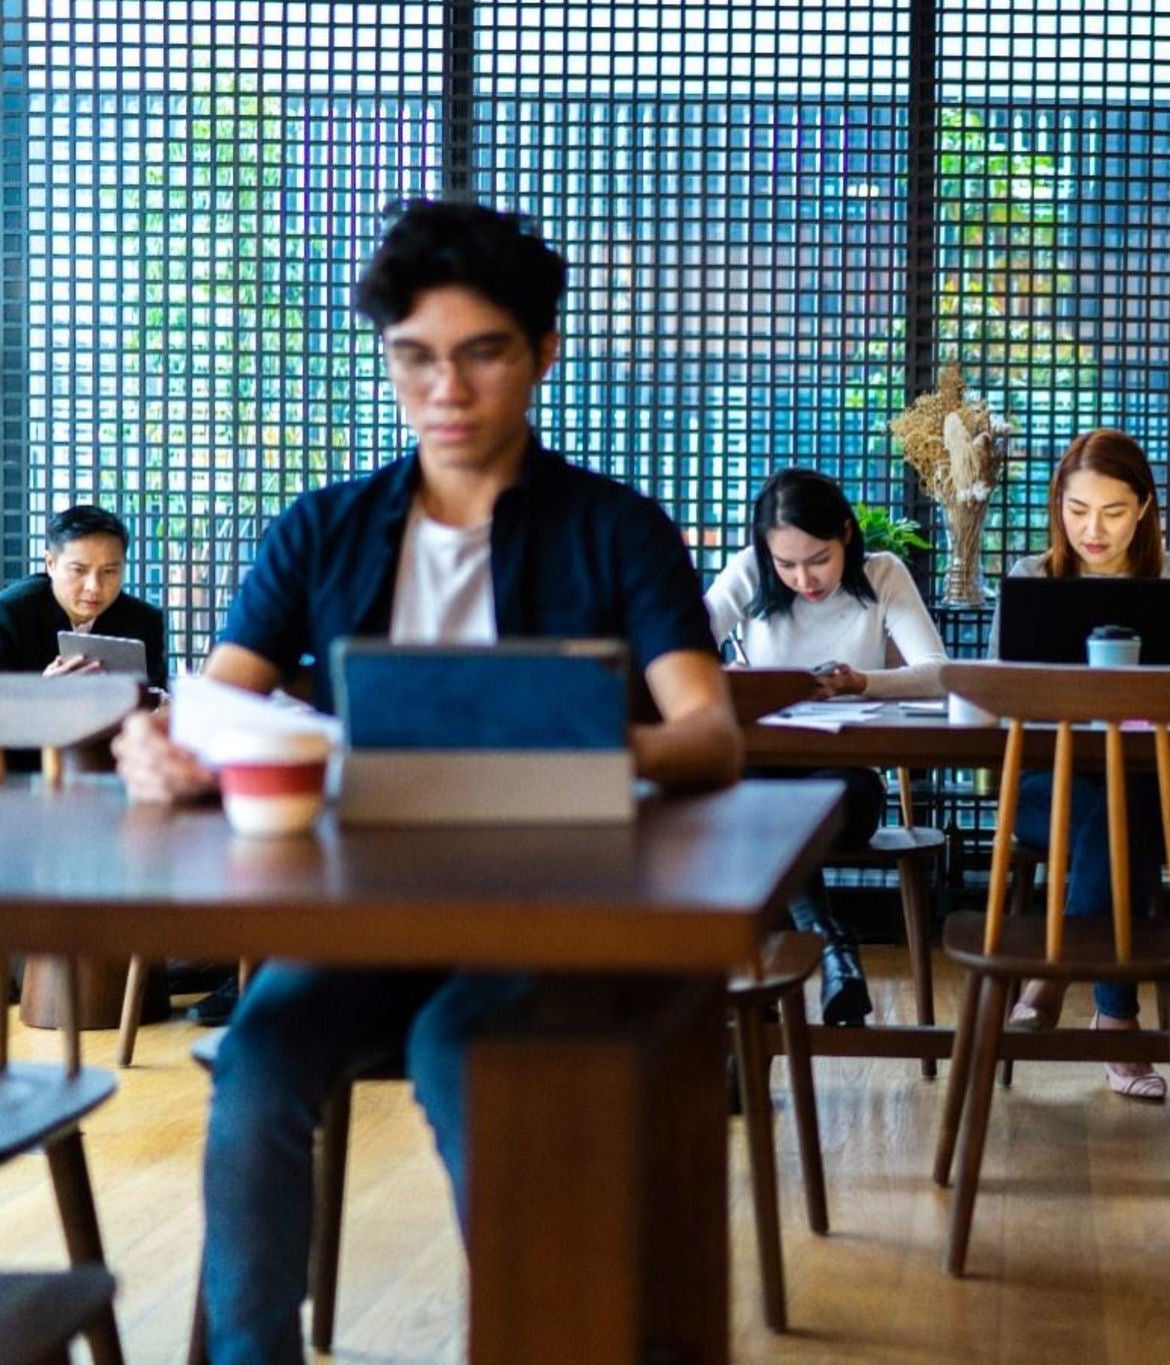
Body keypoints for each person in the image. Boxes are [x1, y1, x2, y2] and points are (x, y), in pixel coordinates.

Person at [111, 199, 743, 1363]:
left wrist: (584, 750)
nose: (443, 389)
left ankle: (530, 1337)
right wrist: (168, 747)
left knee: (466, 1050)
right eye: (413, 358)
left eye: (480, 354)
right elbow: (221, 703)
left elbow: (710, 736)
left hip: (543, 912)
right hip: (354, 913)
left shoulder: (615, 529)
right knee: (256, 1061)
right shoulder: (324, 529)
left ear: (542, 352)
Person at [1002, 428, 1170, 1102]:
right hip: (1047, 785)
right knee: (1114, 809)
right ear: (1056, 507)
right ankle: (1119, 1017)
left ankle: (1056, 968)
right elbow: (998, 685)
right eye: (1076, 511)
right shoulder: (1032, 580)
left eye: (1113, 512)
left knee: (1125, 800)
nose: (1092, 530)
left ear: (1145, 508)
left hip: (1155, 782)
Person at [705, 467, 948, 1025]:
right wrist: (726, 670)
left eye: (818, 559)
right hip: (763, 776)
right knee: (753, 813)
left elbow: (939, 672)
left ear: (845, 533)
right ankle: (832, 947)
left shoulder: (883, 574)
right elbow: (687, 634)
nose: (803, 579)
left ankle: (755, 1031)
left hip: (847, 782)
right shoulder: (751, 570)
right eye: (786, 564)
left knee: (759, 829)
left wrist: (863, 682)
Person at [0, 504, 169, 770]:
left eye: (110, 571)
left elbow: (153, 701)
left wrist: (158, 707)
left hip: (110, 771)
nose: (94, 587)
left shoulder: (144, 621)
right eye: (79, 570)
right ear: (51, 564)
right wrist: (39, 695)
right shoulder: (10, 613)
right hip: (23, 772)